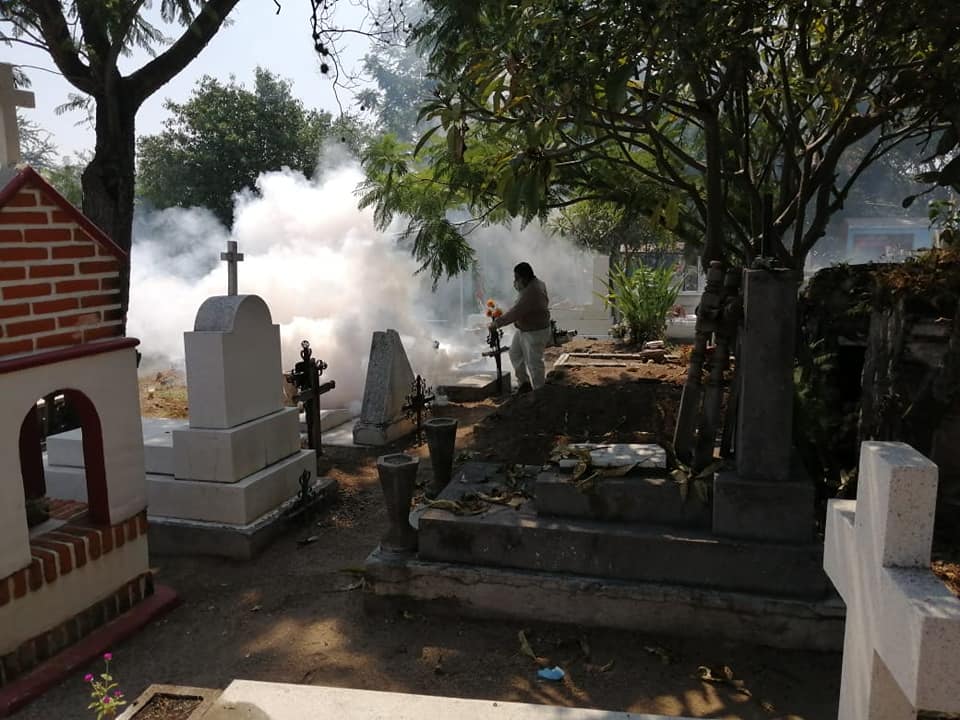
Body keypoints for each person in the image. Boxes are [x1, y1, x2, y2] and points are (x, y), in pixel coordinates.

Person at [490, 262, 552, 393]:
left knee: (534, 364)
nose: (515, 282)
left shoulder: (531, 292)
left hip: (535, 332)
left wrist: (496, 323)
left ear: (524, 278)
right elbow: (518, 309)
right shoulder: (535, 284)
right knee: (515, 353)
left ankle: (539, 393)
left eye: (516, 278)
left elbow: (516, 312)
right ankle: (524, 384)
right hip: (525, 329)